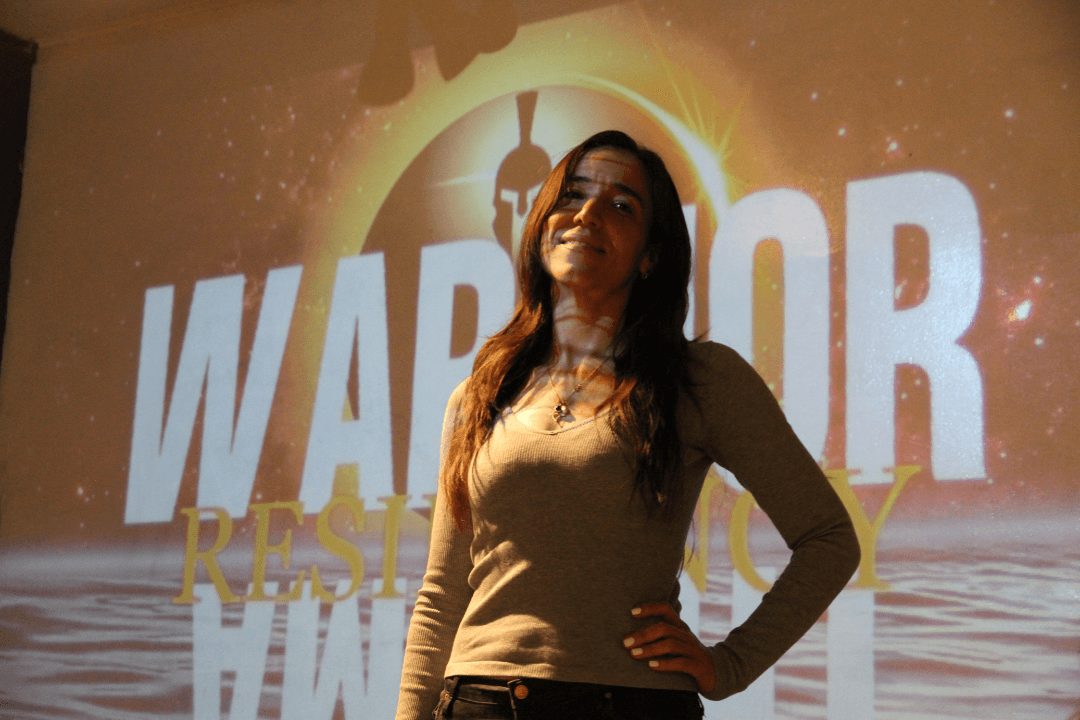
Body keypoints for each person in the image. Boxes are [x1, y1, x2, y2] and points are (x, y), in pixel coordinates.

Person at [395, 130, 860, 719]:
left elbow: (829, 539)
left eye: (620, 205)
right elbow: (441, 594)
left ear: (651, 255)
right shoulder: (478, 395)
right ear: (542, 225)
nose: (586, 214)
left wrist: (730, 665)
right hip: (478, 702)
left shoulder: (701, 379)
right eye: (572, 195)